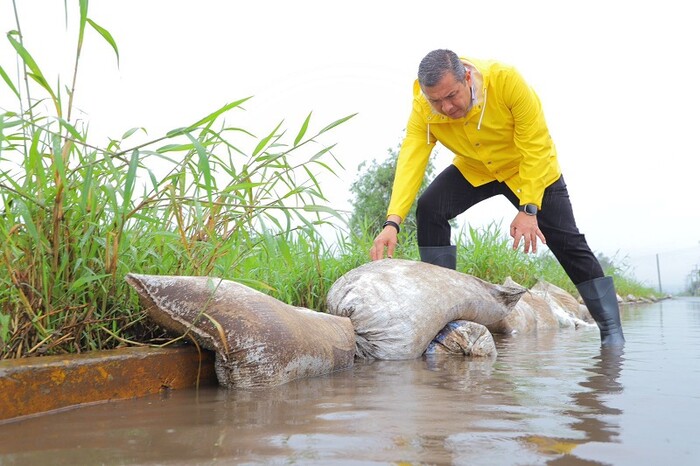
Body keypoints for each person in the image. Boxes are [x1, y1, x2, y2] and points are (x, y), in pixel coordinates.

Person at [369, 49, 624, 347]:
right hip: (476, 169)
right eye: (436, 101)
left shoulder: (506, 81)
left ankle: (612, 333)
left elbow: (536, 144)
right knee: (430, 208)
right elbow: (412, 157)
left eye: (452, 96)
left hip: (527, 167)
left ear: (466, 77)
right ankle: (443, 314)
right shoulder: (423, 107)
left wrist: (529, 208)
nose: (446, 107)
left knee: (567, 242)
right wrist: (392, 222)